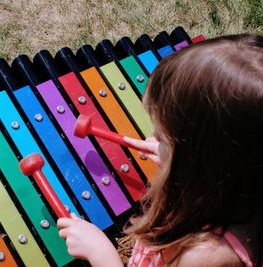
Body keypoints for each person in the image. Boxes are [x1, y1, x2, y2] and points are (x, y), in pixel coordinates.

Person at [57, 34, 263, 266]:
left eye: (163, 137)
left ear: (203, 161)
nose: (150, 139)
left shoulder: (206, 257)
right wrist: (173, 161)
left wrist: (102, 255)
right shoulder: (240, 190)